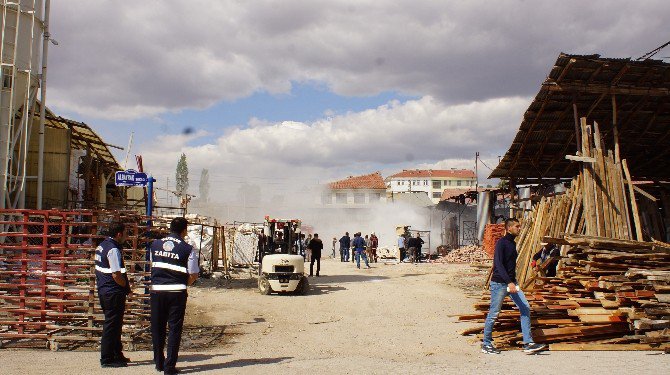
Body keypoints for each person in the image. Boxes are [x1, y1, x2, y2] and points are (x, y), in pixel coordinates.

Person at [482, 218, 546, 354]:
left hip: (512, 284)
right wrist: (509, 282)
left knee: (525, 307)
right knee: (494, 313)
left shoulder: (512, 243)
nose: (519, 228)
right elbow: (498, 264)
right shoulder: (502, 243)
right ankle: (486, 344)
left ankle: (528, 343)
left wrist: (513, 282)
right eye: (517, 226)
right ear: (509, 228)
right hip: (500, 284)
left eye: (519, 226)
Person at [149, 217, 200, 374]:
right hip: (177, 293)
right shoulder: (187, 249)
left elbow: (153, 265)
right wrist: (184, 284)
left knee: (157, 327)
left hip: (157, 291)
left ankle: (158, 362)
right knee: (174, 329)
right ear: (184, 230)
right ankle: (169, 366)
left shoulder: (155, 245)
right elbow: (193, 274)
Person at [95, 222, 131, 368]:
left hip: (105, 290)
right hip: (113, 292)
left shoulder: (102, 245)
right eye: (126, 232)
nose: (127, 236)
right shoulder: (113, 249)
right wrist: (125, 286)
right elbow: (116, 274)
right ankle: (107, 358)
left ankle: (117, 354)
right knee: (111, 325)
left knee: (115, 324)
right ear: (119, 234)